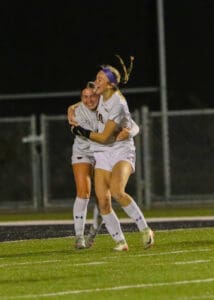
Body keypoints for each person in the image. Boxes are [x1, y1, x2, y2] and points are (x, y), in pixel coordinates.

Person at [73, 55, 154, 251]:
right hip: (101, 153)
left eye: (100, 79)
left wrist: (80, 131)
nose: (95, 82)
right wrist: (72, 108)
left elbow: (104, 138)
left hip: (120, 150)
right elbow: (83, 101)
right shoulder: (101, 93)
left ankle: (145, 230)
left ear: (110, 84)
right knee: (102, 200)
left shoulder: (118, 104)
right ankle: (120, 241)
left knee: (117, 191)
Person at [68, 85, 139, 249]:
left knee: (104, 198)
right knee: (83, 192)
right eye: (84, 97)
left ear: (99, 96)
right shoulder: (78, 112)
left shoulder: (108, 106)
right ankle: (79, 237)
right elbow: (97, 136)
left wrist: (129, 132)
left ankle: (93, 233)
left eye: (92, 96)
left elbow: (133, 125)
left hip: (104, 154)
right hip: (85, 152)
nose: (88, 100)